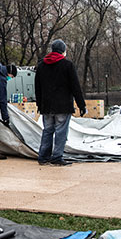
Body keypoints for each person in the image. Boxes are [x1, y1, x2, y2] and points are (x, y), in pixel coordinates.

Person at [34, 39, 85, 167]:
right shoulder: (67, 65)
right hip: (63, 105)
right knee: (61, 131)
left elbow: (38, 88)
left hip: (46, 106)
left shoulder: (41, 66)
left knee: (47, 130)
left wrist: (39, 105)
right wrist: (81, 105)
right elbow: (75, 87)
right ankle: (57, 157)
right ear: (63, 50)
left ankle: (43, 156)